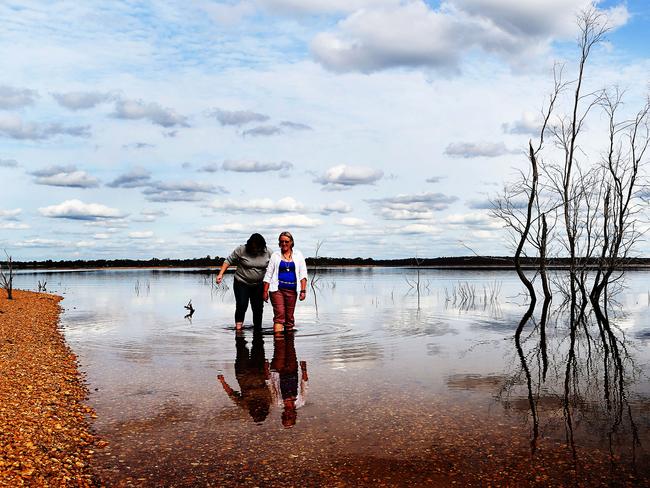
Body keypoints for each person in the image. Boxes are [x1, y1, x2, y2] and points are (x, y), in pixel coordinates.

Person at [216, 233, 271, 330]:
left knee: (258, 307)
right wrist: (221, 274)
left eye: (257, 248)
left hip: (259, 284)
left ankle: (258, 329)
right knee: (241, 304)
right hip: (241, 282)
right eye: (253, 247)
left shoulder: (268, 253)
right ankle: (238, 328)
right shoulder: (241, 249)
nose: (255, 250)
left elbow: (274, 268)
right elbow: (228, 260)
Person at [217, 328, 272, 423]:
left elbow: (231, 394)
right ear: (264, 410)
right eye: (259, 411)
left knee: (241, 347)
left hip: (243, 373)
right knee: (258, 343)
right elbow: (269, 383)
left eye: (255, 412)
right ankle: (255, 328)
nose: (257, 409)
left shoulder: (245, 405)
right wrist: (267, 368)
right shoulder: (269, 400)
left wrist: (222, 381)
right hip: (259, 371)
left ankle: (239, 331)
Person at [263, 231, 308, 333]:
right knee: (280, 315)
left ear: (291, 242)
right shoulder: (275, 255)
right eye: (281, 241)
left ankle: (289, 344)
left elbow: (303, 274)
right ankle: (278, 344)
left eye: (286, 241)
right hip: (277, 290)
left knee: (289, 318)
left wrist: (303, 290)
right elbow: (268, 274)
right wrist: (265, 291)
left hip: (292, 290)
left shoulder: (298, 255)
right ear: (279, 243)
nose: (284, 244)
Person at [268, 330, 308, 428]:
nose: (287, 415)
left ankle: (280, 331)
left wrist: (267, 372)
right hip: (292, 371)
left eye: (284, 418)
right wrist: (304, 370)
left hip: (278, 371)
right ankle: (286, 330)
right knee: (290, 345)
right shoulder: (300, 402)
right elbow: (304, 386)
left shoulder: (277, 403)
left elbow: (271, 388)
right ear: (295, 416)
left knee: (279, 347)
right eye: (289, 418)